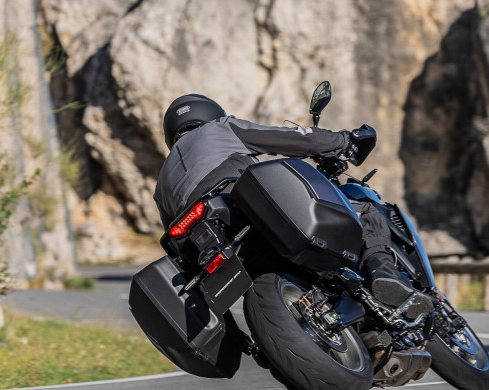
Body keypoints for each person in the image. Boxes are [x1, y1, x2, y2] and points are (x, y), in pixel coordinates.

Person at [154, 93, 432, 315]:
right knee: (364, 211)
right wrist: (343, 141)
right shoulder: (218, 129)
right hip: (245, 206)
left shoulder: (161, 184)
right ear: (211, 114)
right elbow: (291, 139)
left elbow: (172, 237)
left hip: (204, 239)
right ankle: (384, 275)